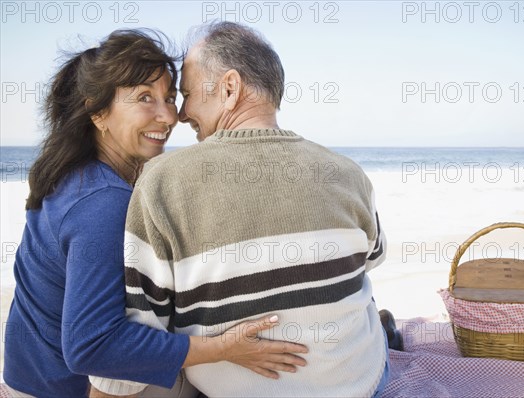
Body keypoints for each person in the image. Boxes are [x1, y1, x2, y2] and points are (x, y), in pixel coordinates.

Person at [91, 21, 398, 397]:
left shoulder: (161, 182)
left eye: (187, 93)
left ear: (230, 88)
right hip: (362, 384)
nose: (182, 114)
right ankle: (383, 333)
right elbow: (372, 258)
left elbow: (140, 339)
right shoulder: (348, 173)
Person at [3, 29, 308, 398]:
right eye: (145, 98)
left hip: (30, 377)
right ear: (98, 113)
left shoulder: (74, 175)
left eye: (169, 97)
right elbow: (92, 346)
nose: (168, 117)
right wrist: (225, 348)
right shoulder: (104, 203)